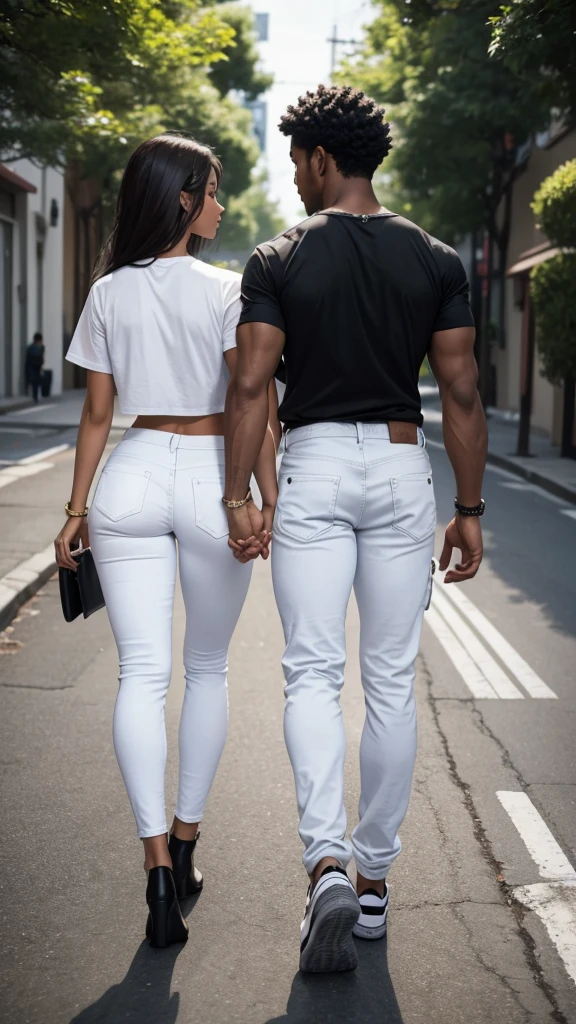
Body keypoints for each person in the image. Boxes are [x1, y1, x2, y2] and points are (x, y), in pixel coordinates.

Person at [224, 85, 487, 974]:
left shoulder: (278, 257)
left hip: (319, 466)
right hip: (404, 469)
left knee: (309, 672)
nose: (293, 176)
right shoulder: (436, 258)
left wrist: (237, 496)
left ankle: (325, 862)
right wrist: (471, 508)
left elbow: (254, 387)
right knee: (388, 684)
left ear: (323, 160)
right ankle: (373, 884)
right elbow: (460, 393)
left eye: (297, 159)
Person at [54, 134, 279, 948]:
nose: (219, 205)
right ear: (184, 200)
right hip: (211, 472)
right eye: (212, 191)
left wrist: (75, 513)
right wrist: (265, 498)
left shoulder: (108, 291)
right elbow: (252, 398)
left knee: (140, 673)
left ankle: (153, 868)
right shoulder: (230, 290)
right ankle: (185, 845)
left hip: (130, 475)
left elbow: (96, 414)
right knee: (207, 667)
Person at [25, 332, 44, 402]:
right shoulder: (39, 348)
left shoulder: (31, 348)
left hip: (32, 368)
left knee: (34, 383)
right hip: (35, 368)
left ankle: (34, 396)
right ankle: (35, 397)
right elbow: (40, 359)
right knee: (36, 383)